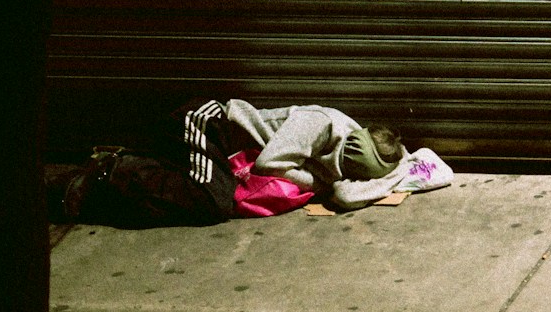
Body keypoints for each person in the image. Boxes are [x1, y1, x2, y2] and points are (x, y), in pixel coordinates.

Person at [53, 97, 444, 227]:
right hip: (207, 124)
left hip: (224, 150)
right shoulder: (321, 125)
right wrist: (314, 181)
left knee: (210, 193)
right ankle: (110, 174)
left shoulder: (381, 152)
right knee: (211, 201)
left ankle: (119, 167)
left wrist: (392, 178)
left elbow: (343, 191)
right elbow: (270, 165)